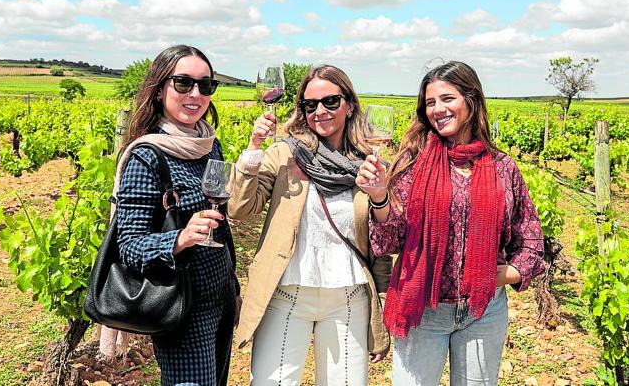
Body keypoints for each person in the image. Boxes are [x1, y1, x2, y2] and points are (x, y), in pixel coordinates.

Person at [357, 61, 545, 385]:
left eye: (447, 99)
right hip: (423, 311)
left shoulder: (504, 168)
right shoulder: (412, 163)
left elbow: (530, 239)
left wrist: (497, 277)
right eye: (430, 102)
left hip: (484, 312)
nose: (437, 109)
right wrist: (379, 198)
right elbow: (389, 242)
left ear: (471, 101)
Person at [228, 65, 392, 386]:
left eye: (330, 101)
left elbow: (384, 238)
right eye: (309, 104)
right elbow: (240, 208)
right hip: (288, 294)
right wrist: (253, 147)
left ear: (349, 104)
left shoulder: (370, 163)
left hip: (349, 298)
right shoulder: (286, 154)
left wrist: (380, 196)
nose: (320, 111)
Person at [113, 44, 240, 385]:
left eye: (206, 85)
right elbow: (130, 248)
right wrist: (181, 238)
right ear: (159, 90)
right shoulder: (147, 157)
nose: (196, 93)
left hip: (222, 298)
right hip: (182, 307)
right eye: (183, 83)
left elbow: (221, 220)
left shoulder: (209, 143)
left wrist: (233, 284)